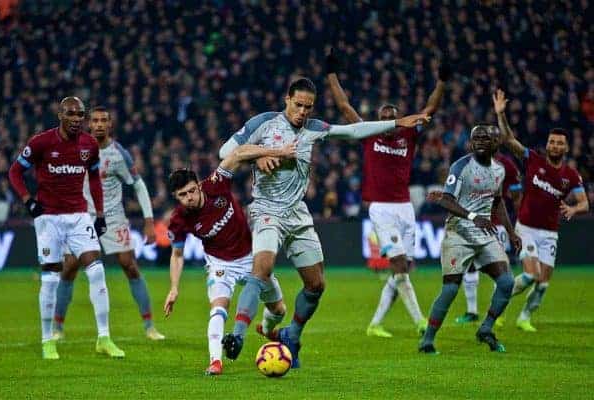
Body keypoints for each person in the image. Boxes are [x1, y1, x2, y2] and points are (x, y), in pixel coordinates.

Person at [219, 77, 429, 368]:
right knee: (263, 268)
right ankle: (237, 335)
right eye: (298, 105)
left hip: (298, 214)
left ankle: (292, 335)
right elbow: (225, 152)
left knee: (316, 285)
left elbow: (355, 131)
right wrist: (261, 155)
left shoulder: (314, 129)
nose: (303, 112)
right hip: (266, 210)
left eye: (308, 107)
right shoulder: (264, 123)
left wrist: (397, 124)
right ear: (287, 100)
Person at [325, 49, 449, 337]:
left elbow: (429, 110)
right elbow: (344, 106)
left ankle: (375, 324)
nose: (387, 121)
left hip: (406, 208)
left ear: (399, 119)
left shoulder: (408, 135)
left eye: (391, 117)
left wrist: (441, 82)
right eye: (383, 117)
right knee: (399, 266)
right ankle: (421, 321)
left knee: (403, 268)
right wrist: (332, 74)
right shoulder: (369, 133)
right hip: (381, 208)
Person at [162, 142, 297, 375]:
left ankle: (266, 328)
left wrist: (277, 152)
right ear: (176, 197)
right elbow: (177, 254)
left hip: (251, 258)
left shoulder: (216, 184)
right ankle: (215, 361)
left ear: (199, 185)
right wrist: (174, 288)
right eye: (182, 195)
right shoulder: (179, 219)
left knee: (279, 310)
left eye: (192, 191)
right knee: (218, 307)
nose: (189, 198)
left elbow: (237, 154)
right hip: (220, 263)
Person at [8, 97, 124, 359]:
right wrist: (28, 201)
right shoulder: (41, 142)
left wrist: (101, 213)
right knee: (50, 277)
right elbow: (14, 172)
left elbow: (94, 178)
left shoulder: (88, 145)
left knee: (96, 270)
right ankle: (47, 340)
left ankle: (104, 338)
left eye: (80, 115)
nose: (76, 119)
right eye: (71, 114)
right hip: (49, 218)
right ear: (60, 115)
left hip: (79, 216)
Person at [53, 106, 165, 341]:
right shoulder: (76, 147)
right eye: (95, 120)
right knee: (70, 266)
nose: (100, 124)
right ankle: (57, 327)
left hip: (113, 216)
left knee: (129, 264)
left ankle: (149, 326)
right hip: (81, 216)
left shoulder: (119, 154)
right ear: (89, 124)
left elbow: (138, 184)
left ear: (110, 124)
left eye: (104, 120)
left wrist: (148, 221)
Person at [419, 123, 521, 354]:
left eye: (486, 138)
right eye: (477, 138)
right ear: (471, 142)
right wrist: (473, 216)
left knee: (506, 283)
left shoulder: (499, 170)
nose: (481, 142)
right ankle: (427, 340)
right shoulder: (461, 166)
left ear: (496, 143)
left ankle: (485, 329)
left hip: (484, 233)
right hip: (458, 232)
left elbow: (497, 202)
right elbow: (445, 200)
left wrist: (511, 231)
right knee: (450, 290)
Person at [493, 89, 589, 332]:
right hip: (526, 228)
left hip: (550, 234)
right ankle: (499, 303)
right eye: (552, 141)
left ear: (565, 148)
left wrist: (573, 208)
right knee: (530, 275)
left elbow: (584, 202)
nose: (554, 145)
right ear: (547, 144)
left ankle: (524, 317)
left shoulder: (571, 176)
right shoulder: (533, 159)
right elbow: (508, 139)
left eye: (559, 143)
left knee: (543, 284)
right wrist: (501, 115)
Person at [454, 150, 522, 324]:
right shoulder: (468, 162)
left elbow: (516, 196)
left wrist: (516, 224)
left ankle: (496, 313)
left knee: (498, 268)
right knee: (468, 265)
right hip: (473, 222)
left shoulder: (507, 165)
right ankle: (471, 311)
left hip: (496, 224)